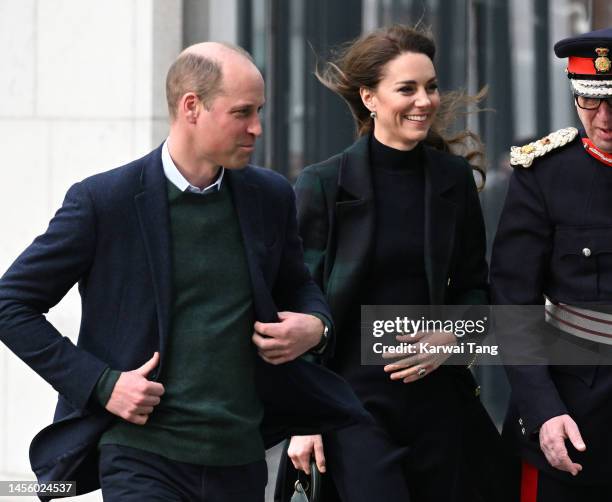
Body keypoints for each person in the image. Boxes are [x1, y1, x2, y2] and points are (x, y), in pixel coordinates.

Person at [0, 42, 369, 501]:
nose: (257, 127)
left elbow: (296, 284)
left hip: (240, 456)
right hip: (140, 454)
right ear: (191, 106)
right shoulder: (104, 202)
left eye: (259, 111)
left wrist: (316, 326)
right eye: (242, 112)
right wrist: (100, 384)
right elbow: (9, 303)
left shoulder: (270, 196)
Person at [286, 24, 507, 502]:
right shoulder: (323, 184)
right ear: (369, 97)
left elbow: (475, 286)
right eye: (406, 88)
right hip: (353, 405)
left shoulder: (453, 181)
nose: (424, 100)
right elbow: (298, 304)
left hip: (438, 401)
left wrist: (454, 334)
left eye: (430, 86)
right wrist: (304, 418)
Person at [491, 27, 612, 502]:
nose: (603, 118)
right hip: (573, 420)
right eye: (588, 100)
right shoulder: (544, 174)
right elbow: (512, 303)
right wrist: (541, 409)